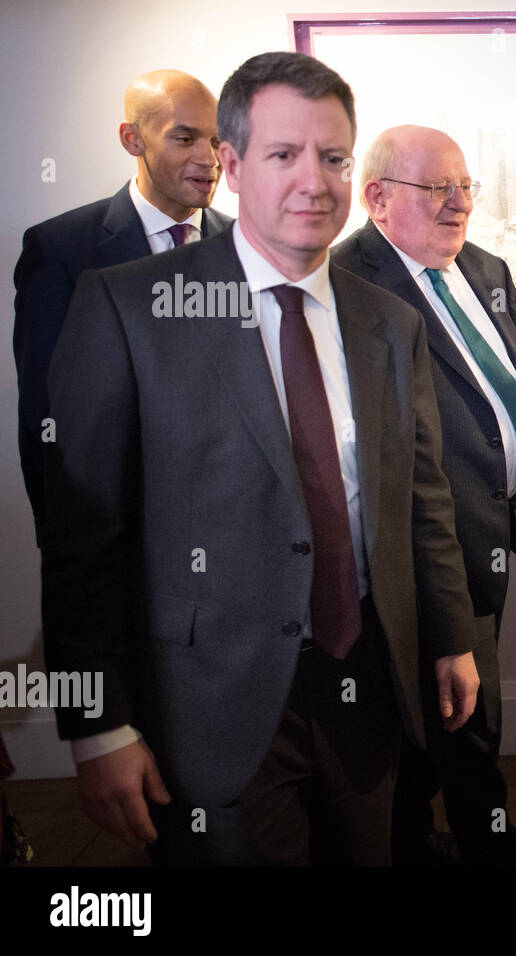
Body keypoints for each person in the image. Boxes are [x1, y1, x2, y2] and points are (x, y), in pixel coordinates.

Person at [41, 51, 481, 866]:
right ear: (234, 166)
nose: (314, 181)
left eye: (334, 157)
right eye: (284, 155)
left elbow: (422, 500)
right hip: (210, 707)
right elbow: (82, 543)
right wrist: (98, 723)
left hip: (368, 689)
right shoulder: (129, 308)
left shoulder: (390, 324)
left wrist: (451, 637)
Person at [333, 126, 516, 866]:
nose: (459, 206)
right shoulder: (342, 285)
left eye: (466, 187)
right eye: (437, 190)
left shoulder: (485, 268)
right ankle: (482, 849)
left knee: (457, 702)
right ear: (378, 198)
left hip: (497, 524)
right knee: (457, 716)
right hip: (419, 549)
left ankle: (425, 838)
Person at [13, 69, 231, 544]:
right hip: (119, 539)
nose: (208, 158)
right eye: (185, 138)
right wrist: (70, 550)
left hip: (231, 538)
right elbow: (45, 417)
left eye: (217, 140)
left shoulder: (246, 247)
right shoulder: (64, 249)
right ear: (133, 139)